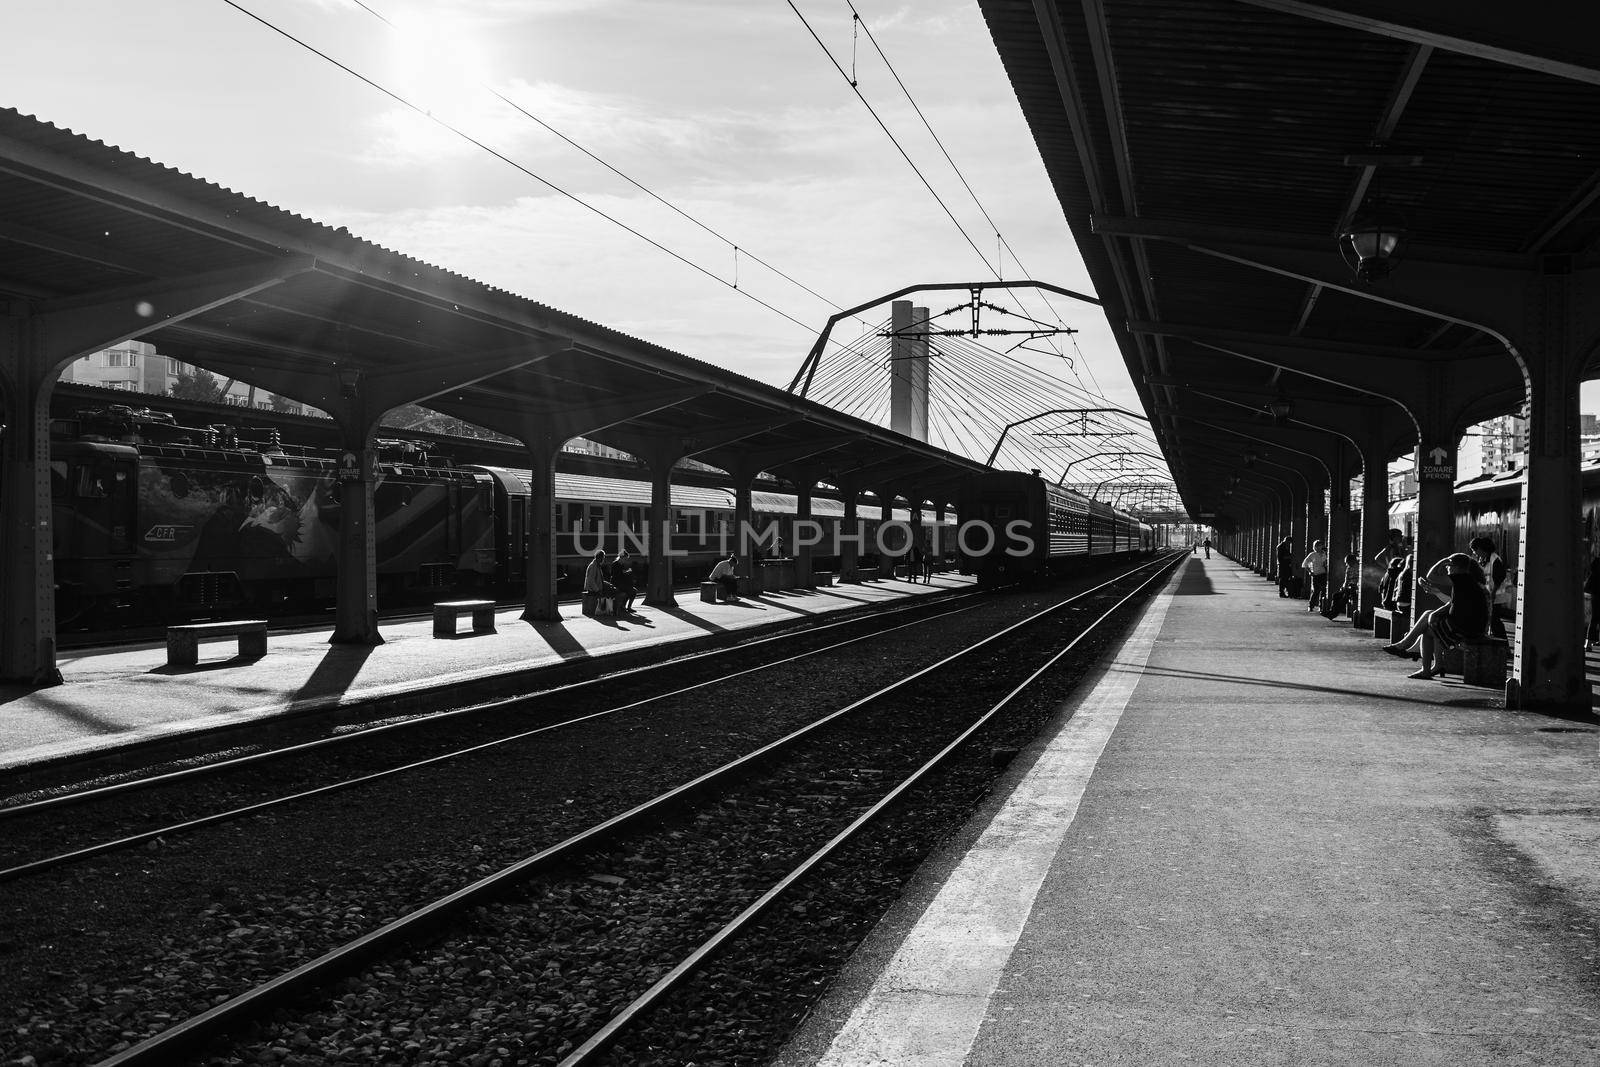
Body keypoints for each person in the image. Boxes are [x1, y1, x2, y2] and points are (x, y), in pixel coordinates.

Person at [1382, 552, 1490, 680]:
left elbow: (1431, 576)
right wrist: (1434, 612)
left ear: (1456, 567)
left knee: (1428, 628)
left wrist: (1443, 560)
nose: (1446, 569)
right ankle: (1416, 654)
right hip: (1470, 626)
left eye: (1448, 566)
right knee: (1429, 621)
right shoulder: (1469, 582)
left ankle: (1409, 650)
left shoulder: (1462, 579)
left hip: (1467, 629)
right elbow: (1452, 604)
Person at [1468, 535, 1509, 639]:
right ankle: (1499, 643)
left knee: (1495, 621)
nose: (1474, 553)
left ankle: (1503, 644)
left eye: (1474, 550)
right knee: (1491, 621)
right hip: (1489, 596)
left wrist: (1493, 593)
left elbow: (1499, 578)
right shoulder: (1484, 558)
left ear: (1481, 549)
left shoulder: (1495, 560)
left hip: (1495, 596)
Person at [583, 549, 616, 614]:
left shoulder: (597, 566)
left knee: (613, 589)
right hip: (592, 589)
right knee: (610, 592)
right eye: (603, 558)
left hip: (596, 587)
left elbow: (599, 580)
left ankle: (609, 609)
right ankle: (608, 610)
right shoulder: (593, 566)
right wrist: (598, 590)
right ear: (599, 558)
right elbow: (591, 581)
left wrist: (609, 584)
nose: (603, 560)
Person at [1301, 539, 1329, 614]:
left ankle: (1321, 606)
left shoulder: (1325, 554)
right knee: (1316, 591)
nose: (1319, 547)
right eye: (1317, 546)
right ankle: (1311, 605)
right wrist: (1310, 571)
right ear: (1315, 547)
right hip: (1316, 574)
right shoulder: (1312, 555)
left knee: (1323, 591)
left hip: (1323, 574)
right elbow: (1304, 564)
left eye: (1320, 545)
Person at [1586, 556, 1600, 652]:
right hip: (1596, 596)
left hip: (1595, 596)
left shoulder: (1593, 574)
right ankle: (1591, 642)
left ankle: (1589, 644)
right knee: (1595, 620)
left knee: (1594, 620)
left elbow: (1587, 588)